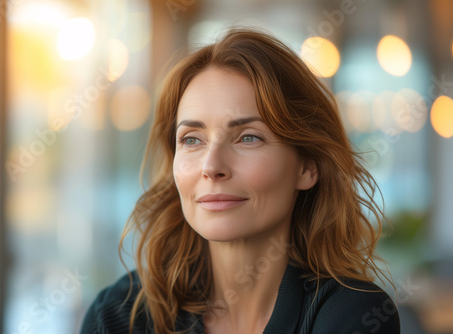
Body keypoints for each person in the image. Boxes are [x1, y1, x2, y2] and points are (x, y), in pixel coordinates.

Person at [80, 27, 400, 334]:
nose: (212, 166)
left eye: (248, 138)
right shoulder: (118, 316)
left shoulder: (355, 316)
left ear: (307, 167)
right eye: (192, 140)